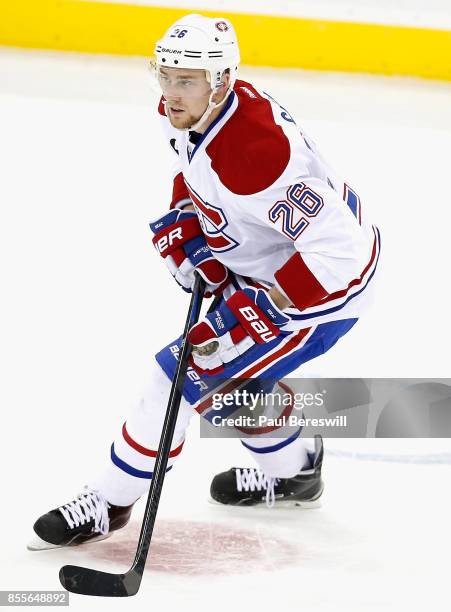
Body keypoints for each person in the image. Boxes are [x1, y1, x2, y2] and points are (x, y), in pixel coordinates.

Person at [29, 14, 380, 550]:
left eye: (185, 80)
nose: (170, 92)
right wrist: (190, 222)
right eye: (164, 75)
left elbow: (342, 251)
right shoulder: (199, 111)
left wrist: (262, 306)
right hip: (265, 272)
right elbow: (195, 167)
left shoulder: (258, 156)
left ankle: (108, 501)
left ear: (221, 81)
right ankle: (296, 472)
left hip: (319, 295)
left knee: (173, 378)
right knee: (231, 393)